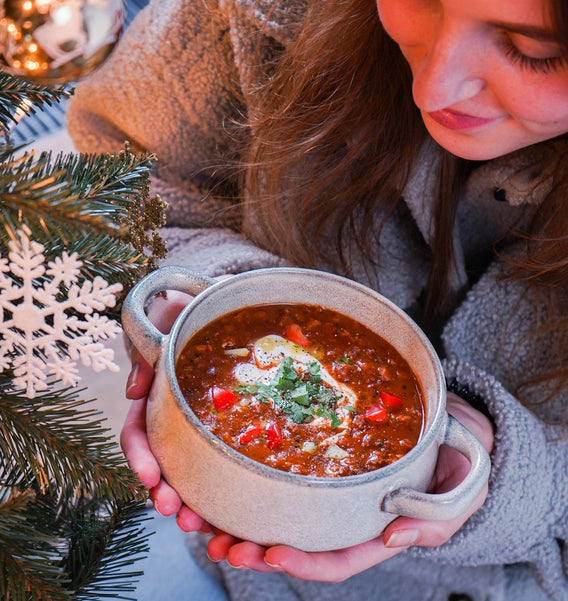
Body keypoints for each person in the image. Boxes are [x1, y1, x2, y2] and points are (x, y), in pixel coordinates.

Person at [65, 0, 568, 599]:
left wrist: (510, 481)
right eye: (421, 2)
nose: (434, 87)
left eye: (533, 51)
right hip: (205, 542)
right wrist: (211, 289)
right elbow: (118, 176)